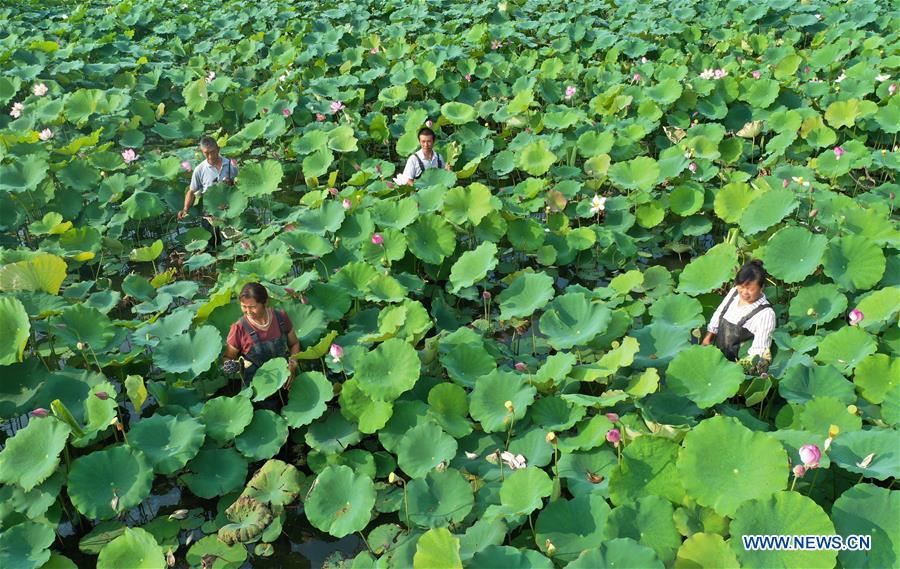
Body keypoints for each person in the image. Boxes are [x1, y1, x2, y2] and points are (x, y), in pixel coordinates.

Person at [224, 283, 300, 389]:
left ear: (265, 302)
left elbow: (294, 344)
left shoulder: (281, 318)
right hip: (256, 388)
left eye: (252, 307)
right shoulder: (239, 328)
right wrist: (234, 366)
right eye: (244, 307)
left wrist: (293, 365)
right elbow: (227, 358)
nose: (248, 312)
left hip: (285, 382)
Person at [701, 260, 777, 367]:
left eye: (750, 289)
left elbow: (758, 353)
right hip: (717, 358)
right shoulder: (734, 292)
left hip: (738, 366)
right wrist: (707, 338)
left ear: (762, 287)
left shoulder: (766, 314)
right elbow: (719, 313)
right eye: (741, 287)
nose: (744, 292)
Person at [177, 136, 238, 246]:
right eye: (206, 153)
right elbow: (191, 191)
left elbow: (239, 185)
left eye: (212, 152)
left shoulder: (230, 165)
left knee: (233, 241)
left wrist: (232, 183)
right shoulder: (200, 170)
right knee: (212, 244)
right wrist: (185, 209)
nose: (210, 156)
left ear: (218, 149)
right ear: (202, 152)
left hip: (230, 207)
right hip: (210, 211)